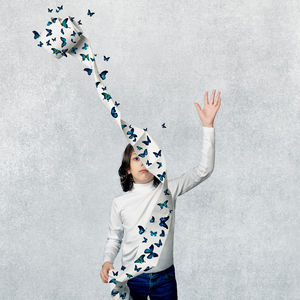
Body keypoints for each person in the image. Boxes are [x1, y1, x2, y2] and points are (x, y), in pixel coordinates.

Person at [100, 90, 221, 299]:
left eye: (147, 158)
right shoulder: (120, 203)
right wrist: (107, 260)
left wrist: (208, 127)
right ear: (127, 168)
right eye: (137, 159)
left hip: (164, 279)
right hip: (132, 278)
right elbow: (114, 237)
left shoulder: (169, 190)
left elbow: (204, 170)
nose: (144, 163)